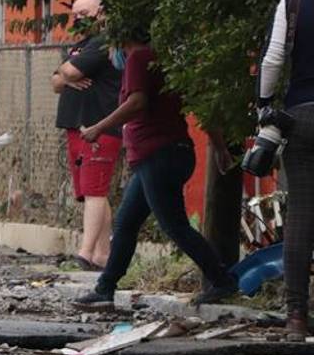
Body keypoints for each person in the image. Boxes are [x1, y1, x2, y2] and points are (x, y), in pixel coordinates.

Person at [74, 32, 238, 309]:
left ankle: (222, 280)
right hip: (166, 154)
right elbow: (197, 104)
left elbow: (137, 102)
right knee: (126, 223)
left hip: (158, 154)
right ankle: (105, 289)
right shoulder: (164, 60)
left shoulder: (138, 57)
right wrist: (220, 147)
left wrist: (98, 128)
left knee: (174, 225)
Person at [258, 0, 314, 338]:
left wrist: (264, 105)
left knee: (301, 215)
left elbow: (274, 57)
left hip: (303, 116)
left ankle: (296, 316)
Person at [51, 0, 123, 270]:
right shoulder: (82, 45)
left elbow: (68, 72)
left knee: (95, 190)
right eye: (76, 13)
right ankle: (102, 254)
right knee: (90, 192)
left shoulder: (103, 43)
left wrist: (68, 74)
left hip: (98, 126)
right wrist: (66, 75)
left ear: (101, 12)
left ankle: (85, 252)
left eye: (85, 12)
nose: (79, 18)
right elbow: (57, 81)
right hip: (77, 125)